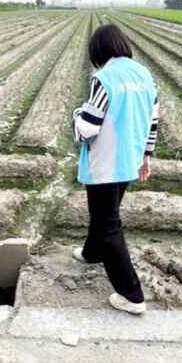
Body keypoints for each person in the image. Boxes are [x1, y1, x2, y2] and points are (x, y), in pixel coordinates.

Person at [71, 23, 159, 315]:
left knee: (108, 224)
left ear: (99, 51)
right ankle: (91, 253)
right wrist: (146, 156)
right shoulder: (144, 75)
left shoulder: (104, 78)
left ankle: (131, 295)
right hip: (129, 159)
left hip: (106, 163)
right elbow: (153, 120)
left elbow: (87, 128)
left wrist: (75, 118)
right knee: (105, 214)